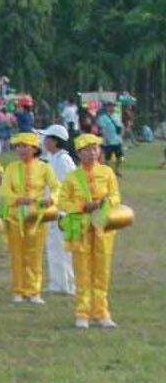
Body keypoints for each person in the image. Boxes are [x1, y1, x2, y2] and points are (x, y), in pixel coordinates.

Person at [56, 134, 123, 329]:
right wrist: (82, 206)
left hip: (103, 227)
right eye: (87, 150)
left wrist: (106, 202)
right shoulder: (72, 177)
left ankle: (102, 313)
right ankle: (82, 313)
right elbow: (62, 202)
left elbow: (115, 195)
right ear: (78, 153)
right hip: (80, 227)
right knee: (83, 269)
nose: (92, 153)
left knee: (102, 269)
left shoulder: (107, 172)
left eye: (95, 149)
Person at [0, 132, 57, 304]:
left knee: (35, 253)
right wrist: (18, 200)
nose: (22, 150)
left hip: (36, 216)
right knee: (17, 253)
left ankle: (34, 291)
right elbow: (5, 191)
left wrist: (51, 199)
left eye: (26, 146)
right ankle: (18, 290)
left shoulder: (44, 167)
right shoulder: (11, 168)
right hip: (15, 215)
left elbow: (57, 187)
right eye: (19, 146)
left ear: (35, 149)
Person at [38, 125, 77, 295]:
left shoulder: (63, 160)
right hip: (52, 209)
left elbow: (63, 187)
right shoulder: (53, 159)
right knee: (53, 246)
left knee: (63, 248)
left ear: (54, 141)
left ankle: (67, 284)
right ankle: (57, 283)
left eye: (47, 138)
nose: (44, 142)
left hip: (62, 210)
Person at [95, 105, 123, 175]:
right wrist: (106, 138)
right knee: (107, 158)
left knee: (119, 157)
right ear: (107, 108)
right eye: (111, 106)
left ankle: (117, 170)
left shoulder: (116, 116)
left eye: (113, 106)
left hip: (117, 140)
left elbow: (121, 126)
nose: (112, 108)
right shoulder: (102, 117)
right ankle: (109, 171)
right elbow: (103, 129)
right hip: (108, 141)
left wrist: (121, 136)